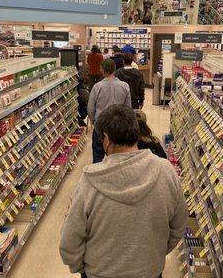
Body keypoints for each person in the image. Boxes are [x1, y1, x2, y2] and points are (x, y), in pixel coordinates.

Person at [60, 105, 188, 278]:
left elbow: (69, 242)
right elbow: (179, 226)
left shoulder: (89, 182)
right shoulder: (166, 171)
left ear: (106, 138)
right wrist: (153, 256)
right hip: (150, 272)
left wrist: (83, 269)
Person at [87, 59, 131, 163]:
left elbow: (90, 108)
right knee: (118, 155)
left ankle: (98, 176)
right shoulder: (124, 86)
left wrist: (93, 121)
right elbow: (128, 108)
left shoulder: (97, 87)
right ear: (114, 70)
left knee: (98, 154)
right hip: (118, 126)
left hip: (100, 125)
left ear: (102, 70)